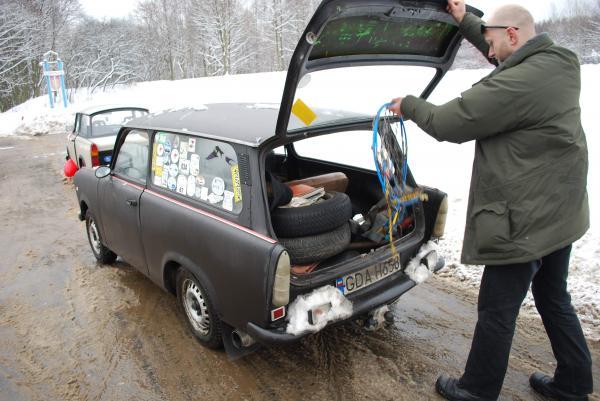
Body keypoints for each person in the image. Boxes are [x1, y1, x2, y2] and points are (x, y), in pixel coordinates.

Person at [388, 1, 593, 400]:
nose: (491, 52)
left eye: (493, 43)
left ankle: (477, 391)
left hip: (524, 220)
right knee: (553, 296)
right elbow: (506, 56)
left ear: (512, 35)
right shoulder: (560, 62)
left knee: (496, 310)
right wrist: (466, 20)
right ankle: (574, 383)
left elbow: (449, 122)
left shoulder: (516, 85)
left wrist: (409, 105)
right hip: (560, 211)